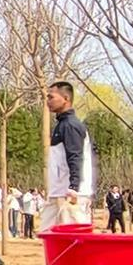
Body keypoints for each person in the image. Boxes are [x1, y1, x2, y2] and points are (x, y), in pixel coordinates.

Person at [44, 81, 96, 229]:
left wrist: (74, 186)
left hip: (70, 194)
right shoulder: (61, 125)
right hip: (58, 191)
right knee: (49, 235)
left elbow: (75, 156)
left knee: (73, 239)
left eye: (51, 97)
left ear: (66, 99)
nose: (48, 101)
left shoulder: (71, 125)